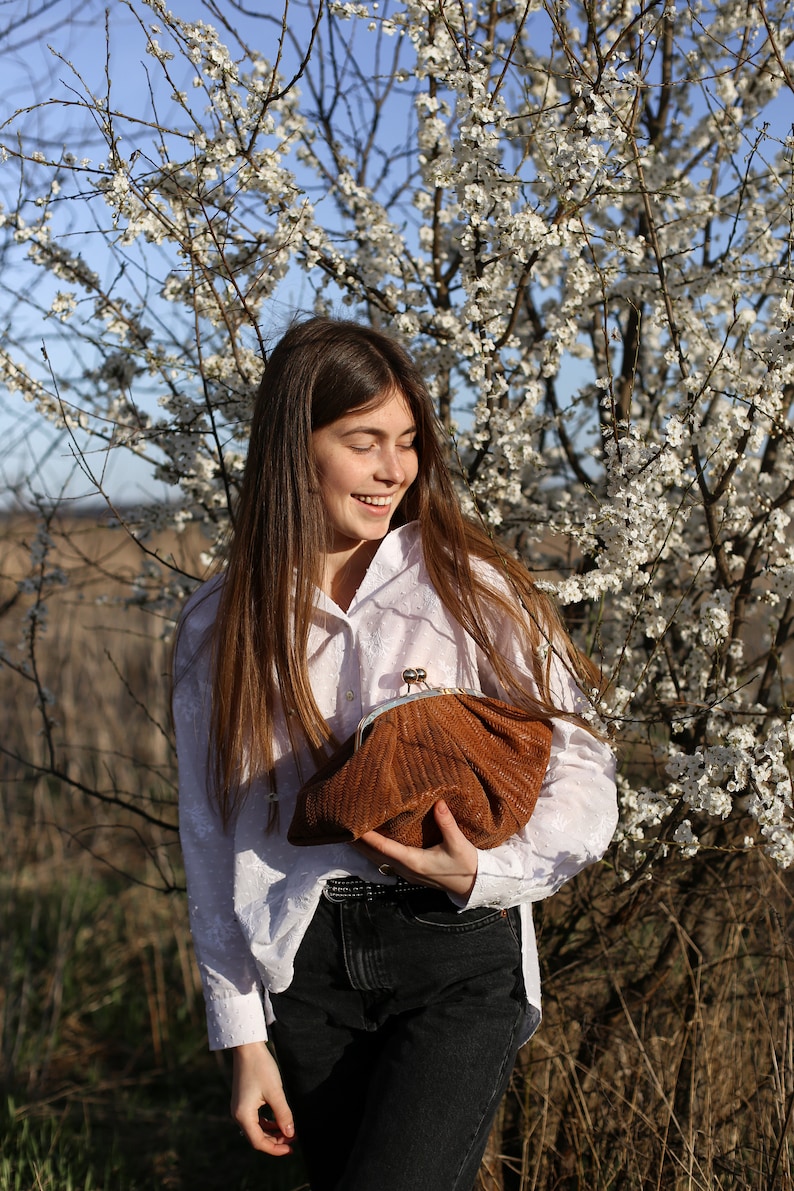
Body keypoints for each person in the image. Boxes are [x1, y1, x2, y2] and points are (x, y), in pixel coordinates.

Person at [173, 316, 618, 1191]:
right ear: (293, 447)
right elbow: (209, 835)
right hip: (303, 972)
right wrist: (241, 1033)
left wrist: (487, 873)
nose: (393, 469)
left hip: (454, 949)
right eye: (362, 441)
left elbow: (585, 766)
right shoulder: (218, 626)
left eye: (408, 441)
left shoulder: (467, 586)